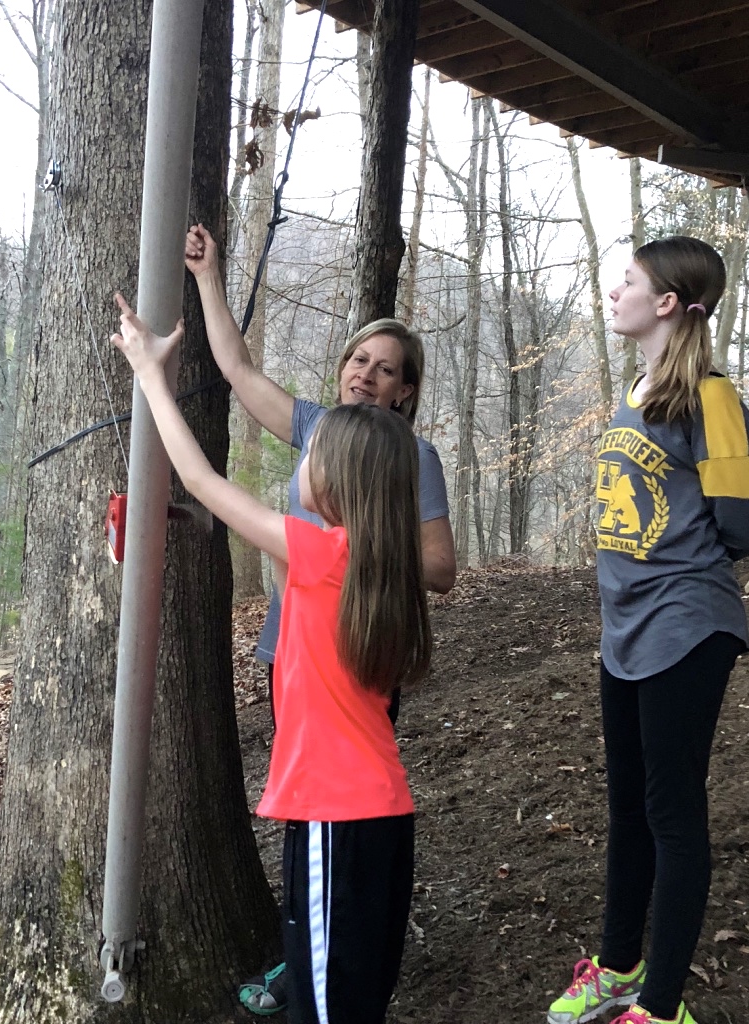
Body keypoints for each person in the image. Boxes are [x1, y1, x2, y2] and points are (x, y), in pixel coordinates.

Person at [111, 293, 431, 1024]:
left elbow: (199, 480)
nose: (305, 461)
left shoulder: (320, 556)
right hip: (382, 813)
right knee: (355, 1003)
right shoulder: (383, 566)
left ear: (339, 483)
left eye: (317, 455)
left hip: (333, 821)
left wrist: (151, 375)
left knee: (322, 1012)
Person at [184, 224, 456, 1012]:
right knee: (305, 808)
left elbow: (439, 568)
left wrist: (350, 557)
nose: (367, 376)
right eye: (359, 360)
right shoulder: (314, 427)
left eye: (387, 370)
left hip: (354, 646)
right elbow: (237, 369)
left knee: (336, 799)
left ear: (406, 391)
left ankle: (325, 958)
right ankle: (308, 941)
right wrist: (208, 276)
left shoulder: (409, 457)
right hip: (290, 650)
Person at [547, 236, 749, 1024]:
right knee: (630, 806)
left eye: (630, 281)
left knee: (672, 811)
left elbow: (747, 526)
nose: (616, 292)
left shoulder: (710, 398)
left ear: (668, 301)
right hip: (626, 629)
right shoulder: (637, 392)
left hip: (688, 624)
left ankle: (662, 1004)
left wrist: (678, 561)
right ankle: (615, 968)